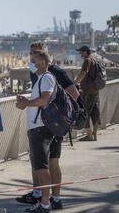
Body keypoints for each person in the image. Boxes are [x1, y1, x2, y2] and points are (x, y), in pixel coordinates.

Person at [16, 43, 80, 210]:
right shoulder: (39, 77)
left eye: (33, 57)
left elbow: (72, 93)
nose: (30, 61)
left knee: (47, 164)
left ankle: (48, 201)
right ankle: (45, 198)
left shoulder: (51, 74)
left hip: (47, 126)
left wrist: (58, 116)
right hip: (47, 125)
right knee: (43, 163)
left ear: (43, 59)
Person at [16, 50, 56, 213]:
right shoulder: (41, 79)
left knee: (41, 166)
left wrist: (28, 103)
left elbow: (45, 99)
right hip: (37, 128)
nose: (31, 63)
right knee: (39, 165)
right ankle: (43, 201)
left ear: (43, 63)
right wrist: (26, 102)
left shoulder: (46, 77)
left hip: (40, 128)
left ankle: (45, 204)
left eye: (33, 61)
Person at [74, 45, 100, 141]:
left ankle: (89, 136)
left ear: (85, 52)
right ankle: (95, 135)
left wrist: (75, 83)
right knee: (95, 112)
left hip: (87, 91)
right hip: (96, 90)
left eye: (80, 52)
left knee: (85, 113)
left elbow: (83, 73)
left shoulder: (87, 60)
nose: (80, 53)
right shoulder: (95, 59)